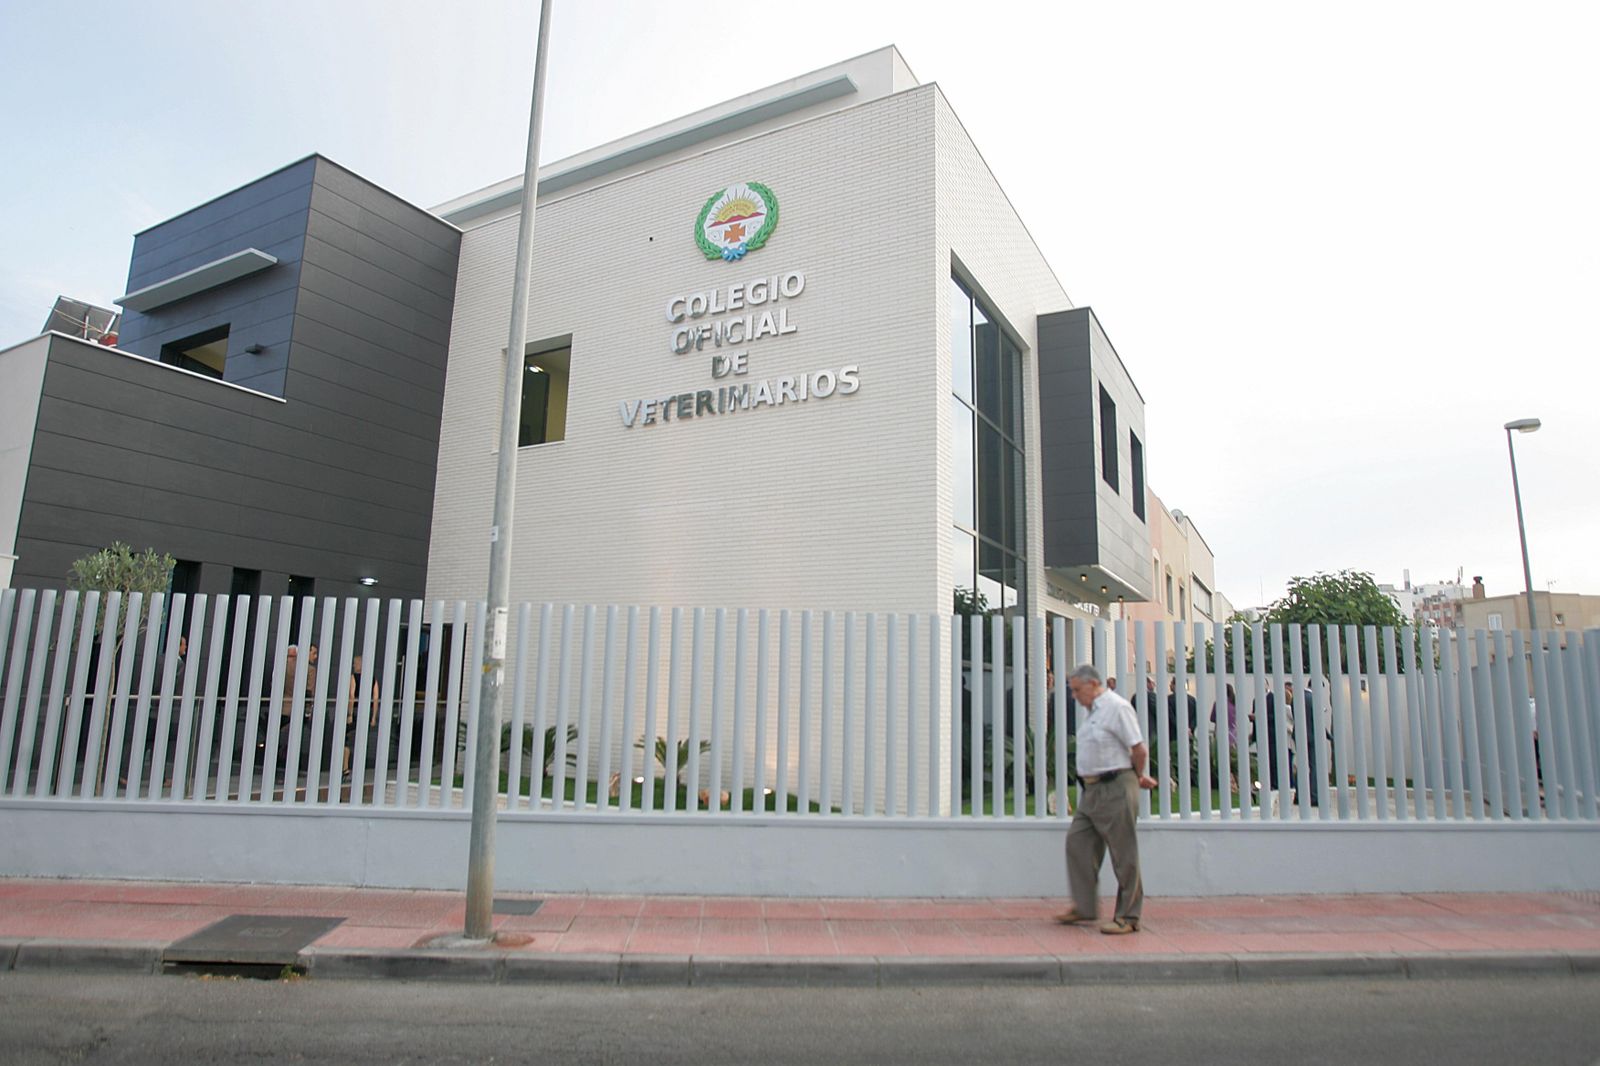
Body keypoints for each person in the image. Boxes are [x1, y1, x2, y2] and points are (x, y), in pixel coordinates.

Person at [1055, 664, 1157, 934]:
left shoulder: (1117, 708)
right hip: (1092, 791)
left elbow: (1139, 749)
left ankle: (1128, 916)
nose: (1074, 696)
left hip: (1116, 786)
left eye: (1077, 690)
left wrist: (1138, 775)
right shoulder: (1091, 714)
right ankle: (1084, 906)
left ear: (1093, 684)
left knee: (1123, 853)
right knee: (1078, 843)